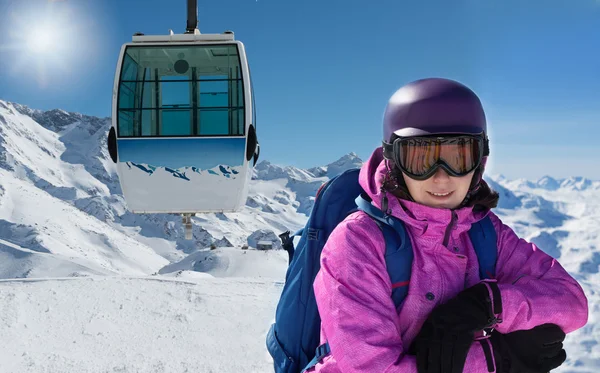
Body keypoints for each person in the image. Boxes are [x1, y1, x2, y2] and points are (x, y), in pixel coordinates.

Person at [308, 78, 589, 373]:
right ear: (394, 161)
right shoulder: (359, 242)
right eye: (421, 159)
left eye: (459, 157)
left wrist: (489, 304)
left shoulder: (484, 232)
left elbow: (571, 301)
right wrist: (495, 361)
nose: (441, 178)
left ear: (479, 160)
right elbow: (372, 368)